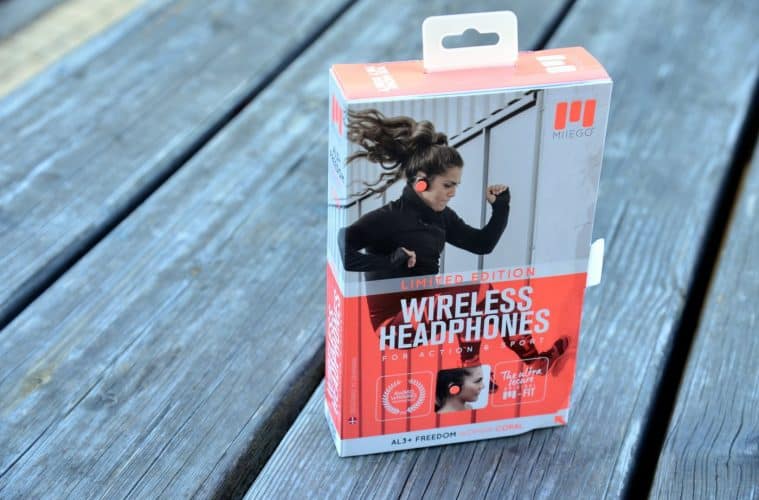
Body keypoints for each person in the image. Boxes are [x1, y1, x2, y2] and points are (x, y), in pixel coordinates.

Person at [337, 108, 568, 373]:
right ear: (421, 183)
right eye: (448, 185)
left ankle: (531, 362)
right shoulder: (387, 218)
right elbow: (343, 249)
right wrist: (390, 261)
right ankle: (475, 368)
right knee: (473, 292)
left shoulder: (442, 217)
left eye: (456, 185)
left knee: (488, 300)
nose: (453, 193)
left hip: (426, 310)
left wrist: (500, 208)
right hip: (394, 326)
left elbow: (482, 244)